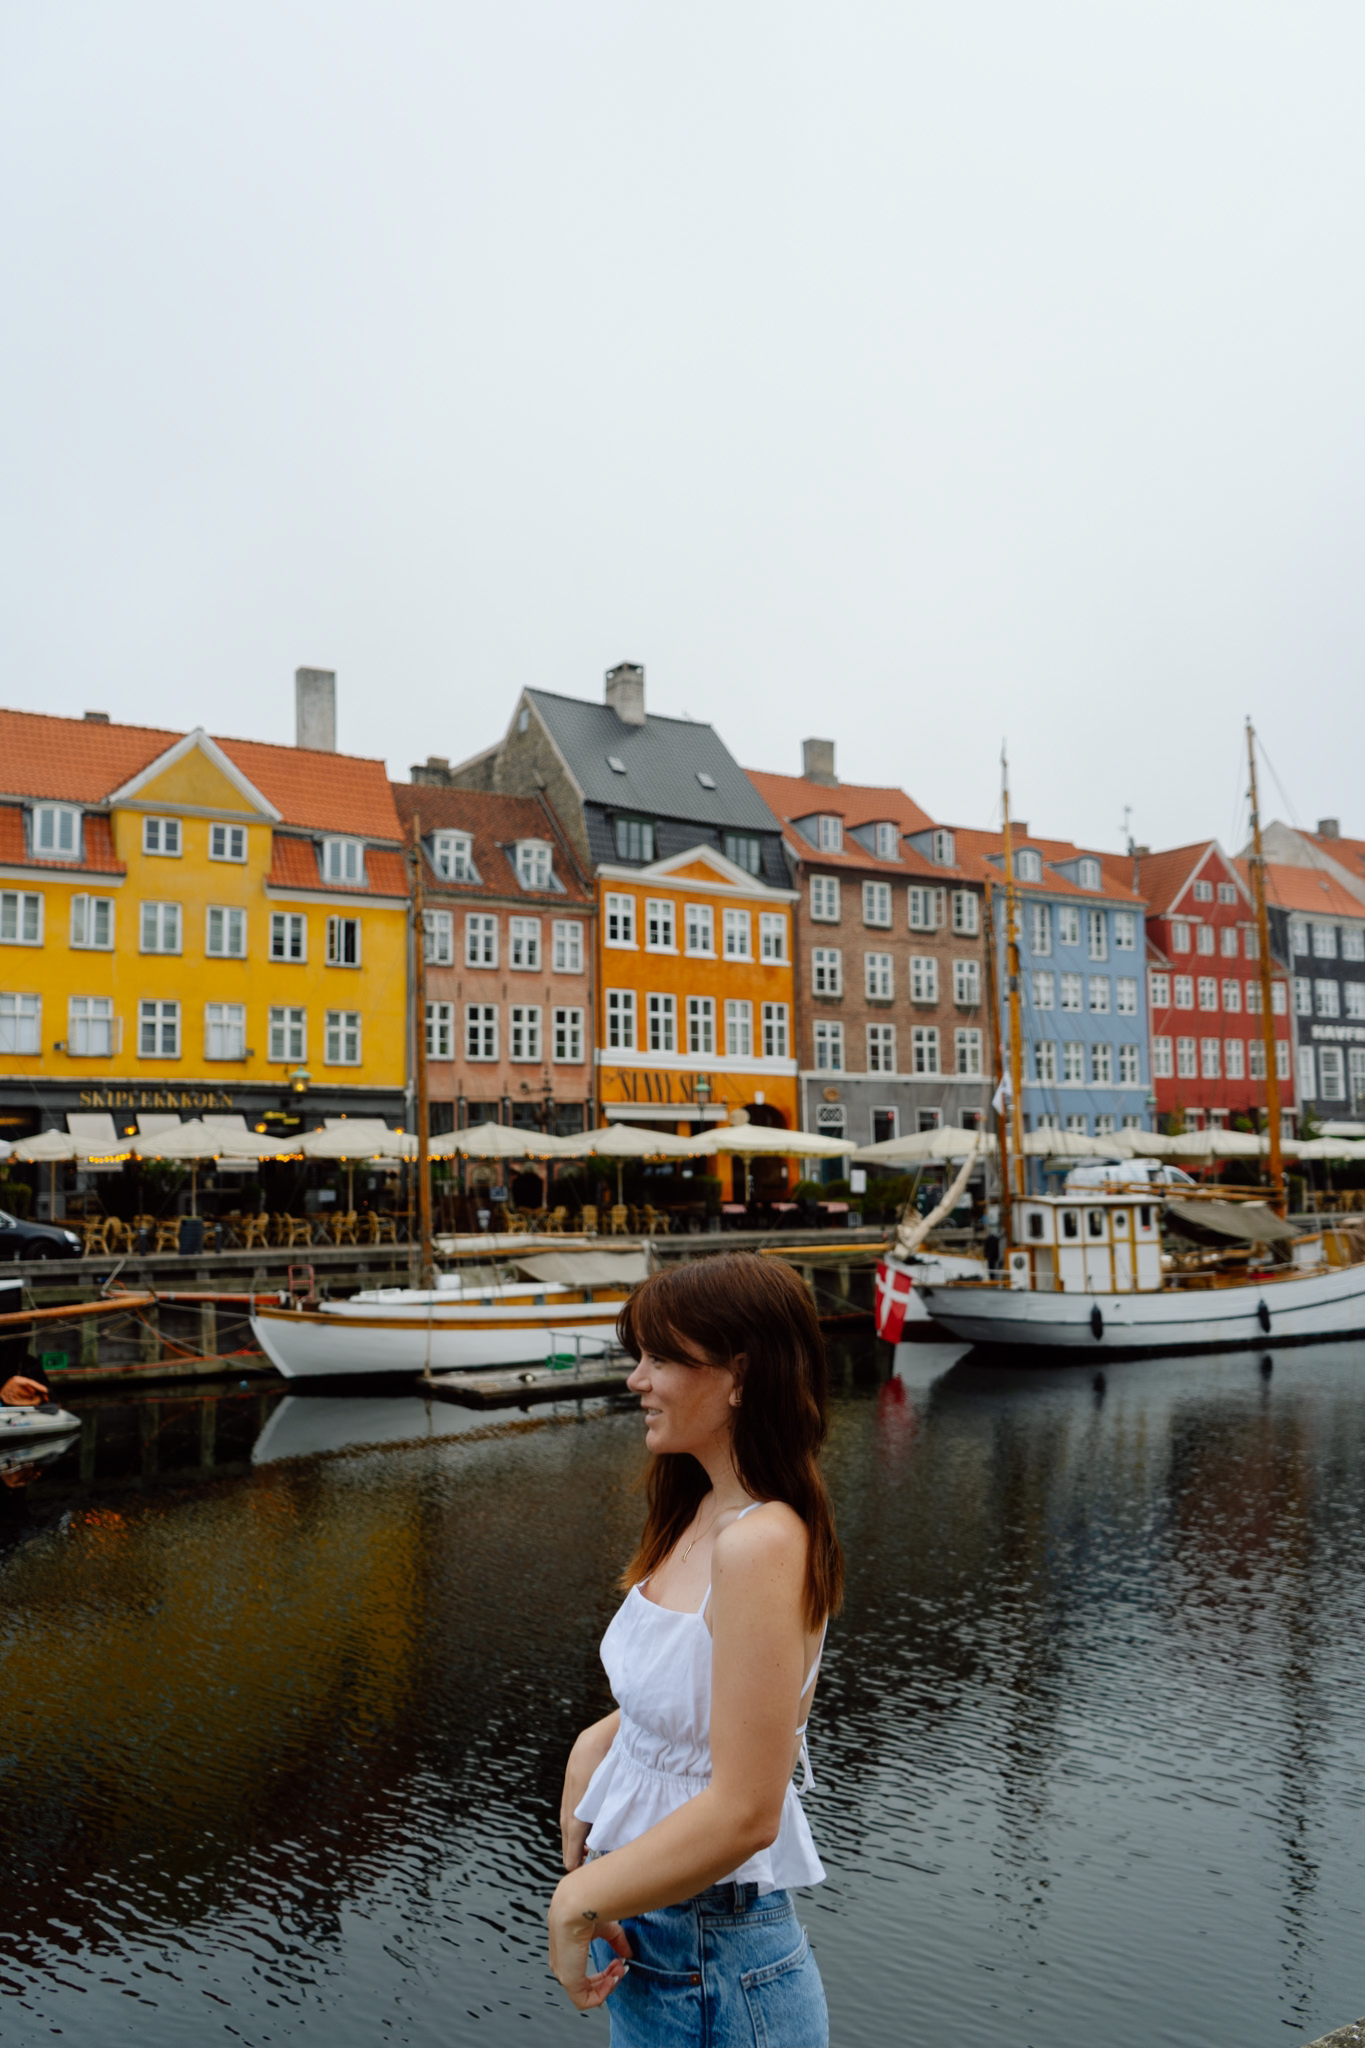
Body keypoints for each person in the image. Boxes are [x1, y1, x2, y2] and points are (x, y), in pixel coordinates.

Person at [549, 1252, 843, 2045]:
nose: (635, 1380)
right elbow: (699, 1693)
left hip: (713, 1967)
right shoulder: (698, 1511)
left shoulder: (761, 1543)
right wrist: (597, 1740)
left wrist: (576, 1901)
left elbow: (748, 1809)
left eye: (660, 1358)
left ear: (740, 1373)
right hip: (666, 1951)